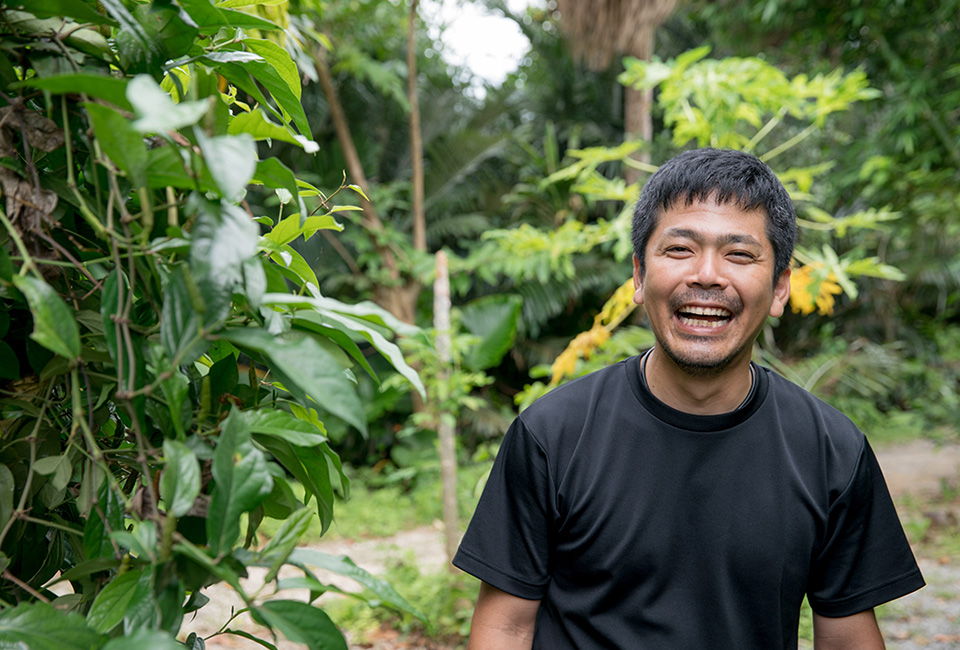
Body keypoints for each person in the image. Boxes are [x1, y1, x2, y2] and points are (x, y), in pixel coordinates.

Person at [453, 148, 925, 649]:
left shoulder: (831, 449)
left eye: (739, 254)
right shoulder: (552, 435)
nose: (706, 275)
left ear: (781, 287)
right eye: (679, 249)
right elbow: (505, 627)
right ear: (638, 275)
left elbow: (848, 638)